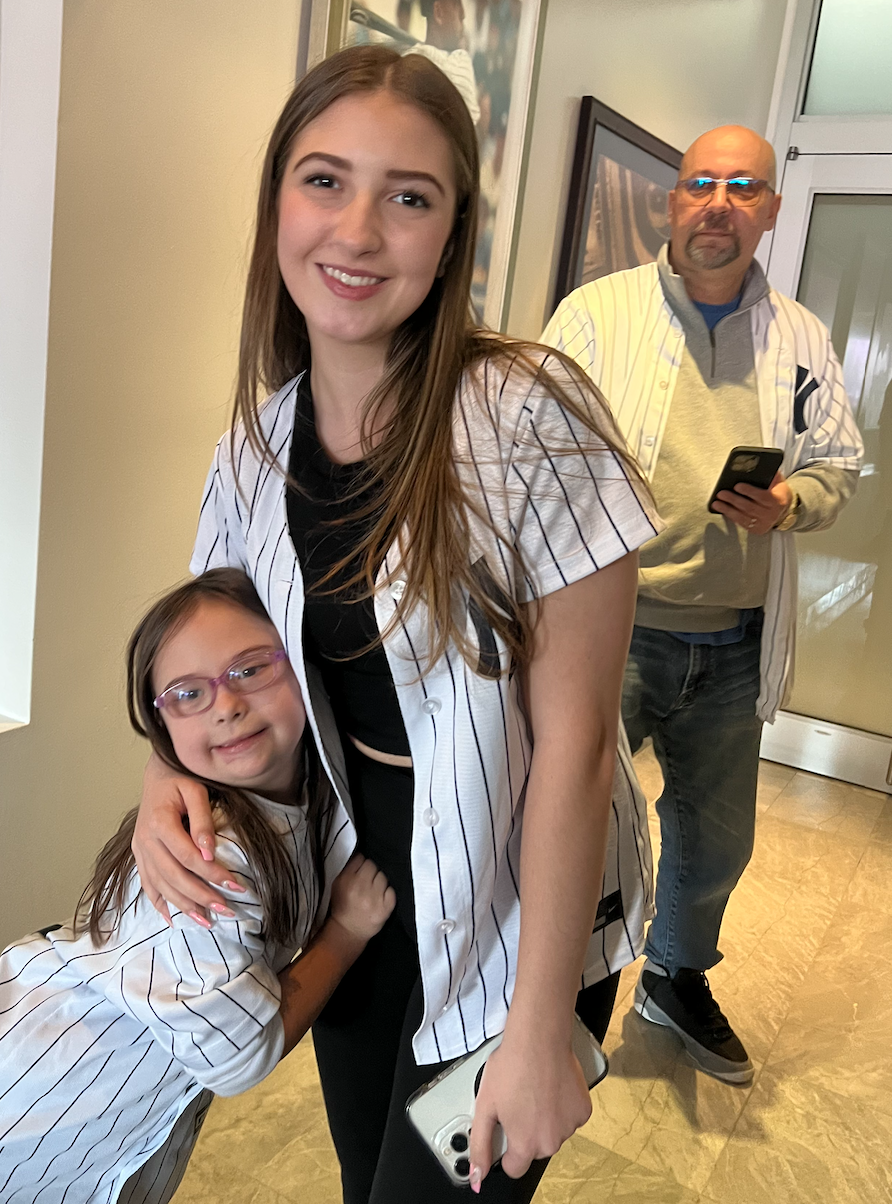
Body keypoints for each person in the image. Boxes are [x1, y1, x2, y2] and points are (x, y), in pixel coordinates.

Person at [131, 46, 661, 1204]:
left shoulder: (530, 417)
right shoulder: (253, 449)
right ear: (277, 197)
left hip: (520, 905)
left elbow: (572, 754)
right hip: (359, 888)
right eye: (324, 181)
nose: (358, 230)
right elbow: (209, 659)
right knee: (364, 1173)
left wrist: (535, 1027)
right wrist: (161, 778)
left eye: (406, 196)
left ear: (452, 230)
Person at [0, 570, 394, 1204]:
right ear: (160, 726)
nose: (225, 705)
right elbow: (239, 1059)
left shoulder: (294, 785)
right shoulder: (216, 860)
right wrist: (345, 934)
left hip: (54, 1116)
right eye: (188, 693)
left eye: (251, 669)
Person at [542, 125, 864, 1086]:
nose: (720, 202)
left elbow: (837, 465)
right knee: (568, 823)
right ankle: (546, 998)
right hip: (612, 634)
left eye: (744, 187)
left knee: (715, 839)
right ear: (673, 201)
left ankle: (675, 976)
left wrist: (791, 502)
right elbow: (531, 450)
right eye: (701, 184)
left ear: (770, 208)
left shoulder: (801, 335)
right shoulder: (595, 316)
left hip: (732, 640)